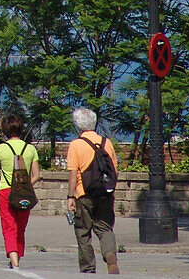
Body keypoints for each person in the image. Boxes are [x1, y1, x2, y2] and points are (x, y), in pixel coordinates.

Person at [66, 107, 120, 274]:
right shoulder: (106, 142)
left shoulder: (76, 145)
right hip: (105, 192)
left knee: (83, 232)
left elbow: (73, 174)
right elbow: (114, 170)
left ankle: (88, 268)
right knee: (105, 228)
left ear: (77, 125)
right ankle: (110, 256)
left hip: (84, 194)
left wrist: (70, 196)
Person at [0, 114, 40, 269]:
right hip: (24, 192)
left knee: (9, 226)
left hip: (5, 190)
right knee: (21, 227)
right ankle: (17, 257)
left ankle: (14, 261)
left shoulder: (0, 149)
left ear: (5, 130)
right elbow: (37, 175)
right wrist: (26, 185)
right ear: (21, 129)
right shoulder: (30, 149)